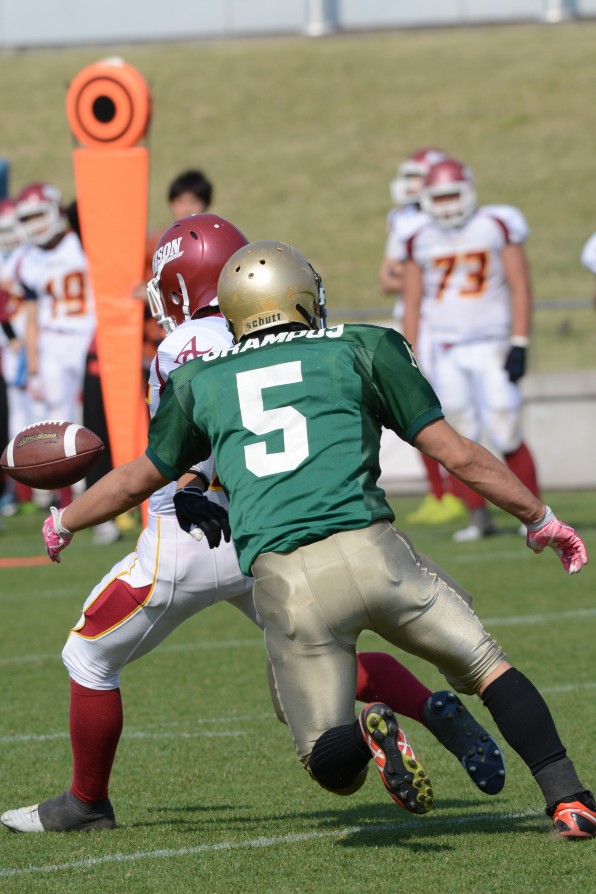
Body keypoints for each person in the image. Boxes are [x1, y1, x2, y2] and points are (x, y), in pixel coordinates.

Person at [26, 238, 593, 841]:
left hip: (287, 584)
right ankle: (570, 800)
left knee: (329, 762)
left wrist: (66, 520)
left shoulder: (200, 379)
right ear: (302, 297)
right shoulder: (364, 345)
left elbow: (136, 480)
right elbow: (458, 455)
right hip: (379, 556)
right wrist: (540, 518)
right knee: (488, 668)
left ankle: (364, 735)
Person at [402, 158, 542, 542]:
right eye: (439, 197)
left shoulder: (494, 225)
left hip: (492, 343)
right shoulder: (418, 238)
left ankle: (534, 512)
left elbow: (521, 285)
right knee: (458, 433)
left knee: (505, 425)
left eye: (453, 195)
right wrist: (409, 354)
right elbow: (412, 303)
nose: (447, 205)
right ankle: (477, 517)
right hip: (445, 349)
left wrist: (520, 341)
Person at [379, 148, 465, 527]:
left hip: (446, 321)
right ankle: (439, 492)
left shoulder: (454, 221)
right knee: (417, 403)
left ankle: (460, 492)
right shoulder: (402, 220)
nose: (412, 184)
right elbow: (387, 278)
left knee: (454, 408)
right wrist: (422, 274)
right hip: (415, 318)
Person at [16, 182, 96, 510]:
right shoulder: (27, 259)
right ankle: (66, 499)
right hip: (52, 340)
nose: (35, 224)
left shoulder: (81, 242)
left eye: (39, 215)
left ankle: (100, 488)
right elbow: (31, 316)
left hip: (89, 338)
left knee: (94, 415)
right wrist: (33, 368)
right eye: (27, 218)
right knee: (58, 422)